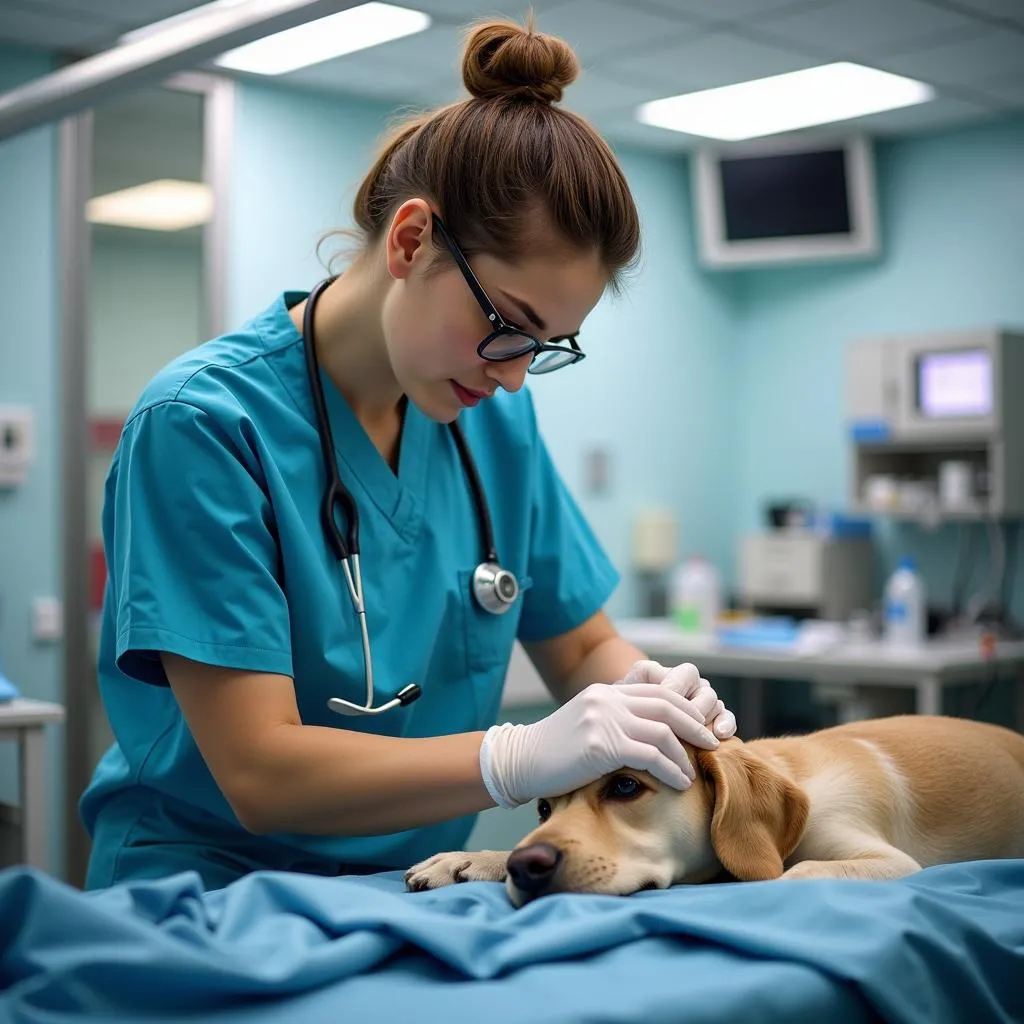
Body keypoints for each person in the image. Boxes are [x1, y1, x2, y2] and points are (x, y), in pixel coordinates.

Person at [80, 16, 737, 892]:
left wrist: (654, 702)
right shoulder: (202, 427)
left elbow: (579, 647)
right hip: (209, 891)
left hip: (411, 888)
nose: (513, 379)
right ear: (411, 241)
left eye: (547, 348)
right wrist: (514, 757)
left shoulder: (491, 423)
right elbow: (261, 773)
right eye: (508, 327)